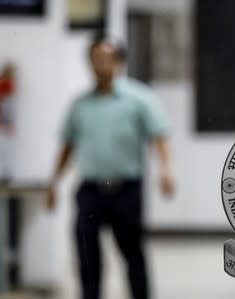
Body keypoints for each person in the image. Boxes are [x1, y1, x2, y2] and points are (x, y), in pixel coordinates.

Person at [47, 36, 174, 299]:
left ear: (118, 62)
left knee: (132, 253)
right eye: (95, 59)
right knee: (87, 256)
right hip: (90, 190)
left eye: (106, 59)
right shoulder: (80, 104)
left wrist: (166, 170)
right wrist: (54, 181)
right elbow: (68, 144)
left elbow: (158, 136)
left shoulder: (139, 98)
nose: (100, 65)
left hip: (126, 191)